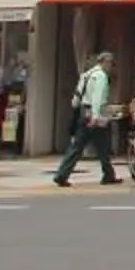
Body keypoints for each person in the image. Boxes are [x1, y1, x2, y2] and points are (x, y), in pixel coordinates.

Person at [52, 52, 118, 187]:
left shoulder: (86, 75)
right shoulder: (101, 76)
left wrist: (78, 108)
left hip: (83, 112)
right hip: (95, 114)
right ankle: (108, 175)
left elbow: (77, 96)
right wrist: (95, 116)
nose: (111, 67)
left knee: (78, 146)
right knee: (103, 146)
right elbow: (97, 97)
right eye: (111, 64)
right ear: (105, 62)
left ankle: (62, 174)